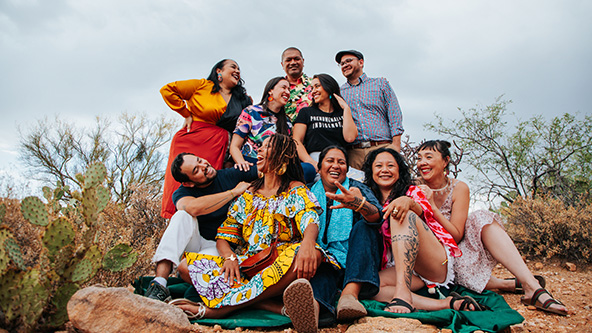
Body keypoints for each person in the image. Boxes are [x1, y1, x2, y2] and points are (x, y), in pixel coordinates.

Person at [172, 134, 324, 323]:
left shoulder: (294, 188)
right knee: (185, 267)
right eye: (261, 146)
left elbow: (310, 219)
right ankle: (271, 305)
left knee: (314, 254)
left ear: (283, 156)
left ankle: (222, 309)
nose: (259, 149)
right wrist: (229, 257)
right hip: (248, 263)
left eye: (267, 147)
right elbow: (225, 236)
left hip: (280, 261)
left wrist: (309, 243)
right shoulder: (249, 193)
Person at [415, 140, 568, 316]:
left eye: (428, 157)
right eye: (419, 158)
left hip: (456, 247)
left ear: (445, 161)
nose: (422, 163)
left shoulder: (459, 188)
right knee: (455, 272)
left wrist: (432, 207)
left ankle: (531, 286)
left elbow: (456, 237)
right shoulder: (413, 186)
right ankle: (506, 284)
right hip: (431, 254)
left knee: (480, 216)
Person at [363, 148, 488, 314]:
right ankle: (447, 304)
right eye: (378, 166)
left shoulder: (414, 191)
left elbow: (427, 214)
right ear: (371, 171)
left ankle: (402, 294)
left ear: (399, 171)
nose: (384, 170)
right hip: (403, 268)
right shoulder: (370, 200)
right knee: (369, 287)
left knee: (401, 212)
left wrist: (409, 203)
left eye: (391, 166)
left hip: (432, 261)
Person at [283, 146, 382, 330]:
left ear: (347, 168)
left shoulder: (356, 187)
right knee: (321, 266)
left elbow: (377, 217)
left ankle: (349, 296)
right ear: (319, 168)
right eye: (330, 161)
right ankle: (313, 309)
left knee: (364, 226)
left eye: (341, 162)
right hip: (325, 260)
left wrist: (359, 205)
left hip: (358, 259)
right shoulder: (308, 192)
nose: (335, 166)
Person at [145, 153, 257, 302]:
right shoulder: (182, 193)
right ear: (188, 183)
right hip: (199, 242)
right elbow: (193, 208)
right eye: (196, 170)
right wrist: (233, 192)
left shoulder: (230, 175)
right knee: (182, 215)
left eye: (200, 160)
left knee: (189, 268)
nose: (204, 166)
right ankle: (159, 284)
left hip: (223, 247)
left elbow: (267, 169)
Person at [160, 59, 252, 219]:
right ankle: (174, 222)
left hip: (218, 145)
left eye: (239, 68)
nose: (237, 70)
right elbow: (167, 90)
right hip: (191, 139)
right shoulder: (202, 85)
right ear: (219, 71)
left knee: (210, 182)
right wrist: (186, 114)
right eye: (233, 67)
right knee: (182, 180)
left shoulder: (243, 99)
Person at [230, 77, 316, 183]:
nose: (287, 92)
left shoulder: (287, 123)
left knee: (308, 169)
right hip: (253, 163)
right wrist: (242, 163)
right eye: (283, 87)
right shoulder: (251, 112)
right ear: (270, 90)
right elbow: (234, 146)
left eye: (289, 89)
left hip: (276, 167)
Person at [335, 50, 404, 170]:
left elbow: (394, 113)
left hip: (382, 147)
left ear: (361, 62)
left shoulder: (380, 84)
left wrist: (396, 145)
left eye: (349, 61)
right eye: (342, 64)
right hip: (354, 153)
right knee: (357, 187)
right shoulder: (340, 93)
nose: (345, 65)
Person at [293, 74, 358, 170]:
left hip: (339, 160)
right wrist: (311, 162)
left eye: (317, 86)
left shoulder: (341, 113)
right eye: (312, 88)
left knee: (361, 179)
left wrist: (346, 108)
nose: (313, 91)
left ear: (329, 87)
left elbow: (350, 137)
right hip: (316, 158)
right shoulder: (306, 112)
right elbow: (296, 141)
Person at [281, 47, 313, 122]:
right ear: (282, 65)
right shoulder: (276, 89)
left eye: (297, 59)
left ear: (303, 61)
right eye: (288, 60)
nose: (293, 62)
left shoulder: (315, 84)